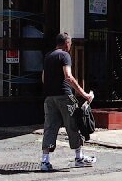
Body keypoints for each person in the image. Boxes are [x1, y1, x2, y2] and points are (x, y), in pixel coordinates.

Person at [40, 32, 95, 172]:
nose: (70, 46)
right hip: (65, 96)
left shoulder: (48, 56)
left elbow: (44, 78)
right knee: (73, 125)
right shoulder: (64, 55)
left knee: (50, 128)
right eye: (70, 43)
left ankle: (45, 161)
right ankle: (79, 158)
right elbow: (68, 77)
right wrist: (84, 94)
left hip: (49, 98)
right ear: (66, 43)